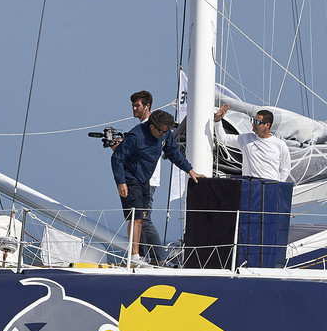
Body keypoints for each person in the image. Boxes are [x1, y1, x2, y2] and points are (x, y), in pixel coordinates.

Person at [112, 108, 204, 265]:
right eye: (161, 132)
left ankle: (137, 256)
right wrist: (121, 182)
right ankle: (134, 257)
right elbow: (117, 158)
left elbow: (174, 153)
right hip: (130, 178)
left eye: (165, 132)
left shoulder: (165, 132)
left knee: (142, 218)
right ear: (152, 126)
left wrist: (190, 170)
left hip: (144, 180)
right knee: (136, 217)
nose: (163, 135)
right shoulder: (136, 136)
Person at [211, 104, 293, 181]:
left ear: (267, 125)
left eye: (257, 122)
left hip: (269, 188)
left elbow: (285, 168)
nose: (253, 124)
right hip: (249, 187)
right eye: (254, 120)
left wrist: (278, 185)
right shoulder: (246, 139)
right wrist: (218, 120)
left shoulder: (280, 144)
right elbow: (223, 139)